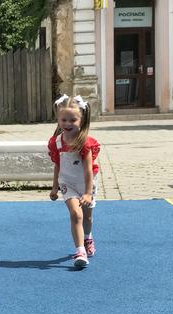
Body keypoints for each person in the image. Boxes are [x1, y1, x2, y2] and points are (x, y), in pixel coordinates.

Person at [48, 94, 100, 269]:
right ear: (58, 120)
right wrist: (55, 187)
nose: (67, 124)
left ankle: (88, 237)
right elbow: (57, 165)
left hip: (86, 183)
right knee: (76, 215)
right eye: (64, 120)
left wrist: (87, 193)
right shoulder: (56, 142)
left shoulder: (84, 143)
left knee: (87, 217)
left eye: (72, 120)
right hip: (67, 183)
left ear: (81, 120)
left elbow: (88, 170)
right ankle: (80, 251)